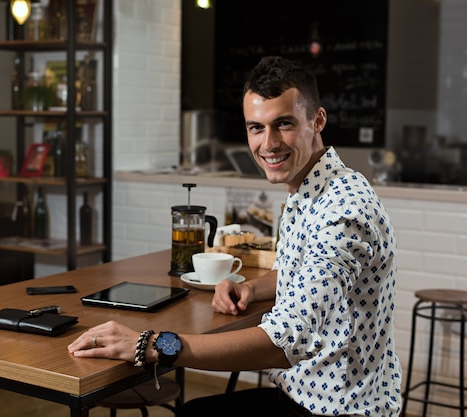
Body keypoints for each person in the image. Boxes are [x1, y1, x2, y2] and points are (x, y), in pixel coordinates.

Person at [68, 56, 402, 416]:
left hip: (340, 408)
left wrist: (152, 344)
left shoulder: (342, 210)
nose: (269, 143)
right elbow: (308, 272)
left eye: (283, 124)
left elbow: (284, 341)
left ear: (317, 120)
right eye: (256, 128)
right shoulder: (312, 191)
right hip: (310, 394)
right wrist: (251, 289)